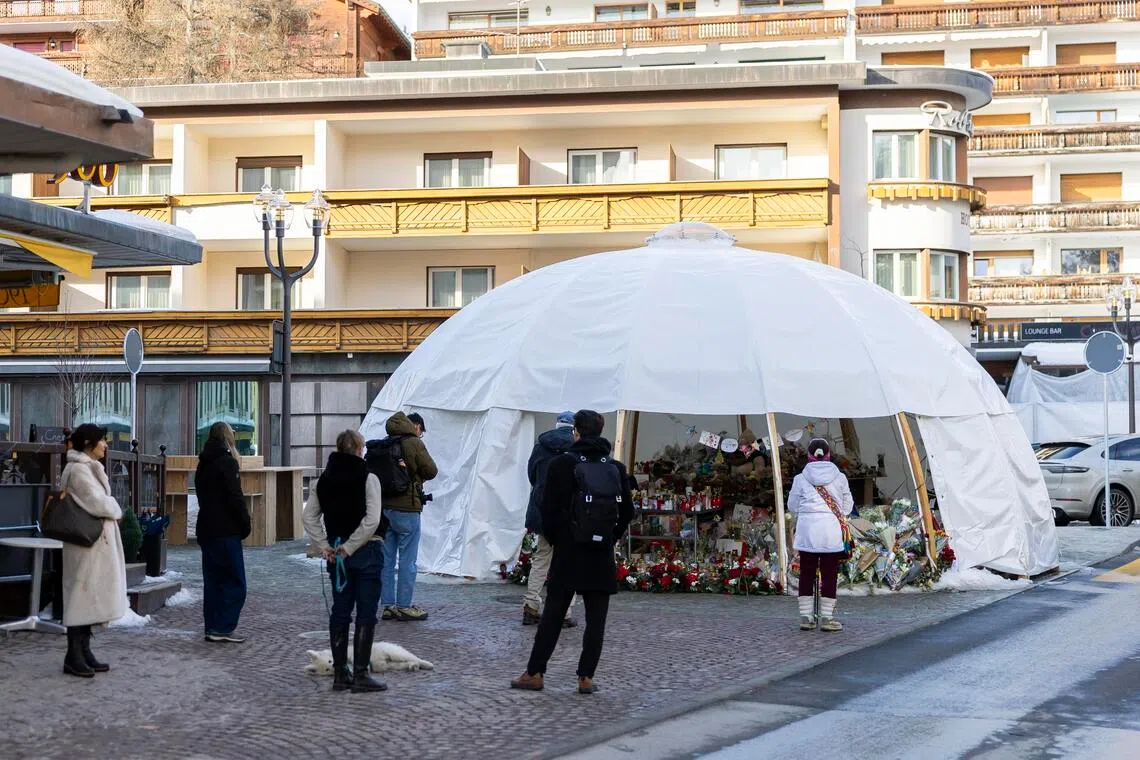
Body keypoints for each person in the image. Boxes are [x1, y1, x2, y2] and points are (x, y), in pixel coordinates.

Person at [511, 410, 633, 695]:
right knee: (596, 620)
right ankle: (586, 677)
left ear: (576, 432)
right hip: (600, 552)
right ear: (600, 432)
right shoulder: (615, 468)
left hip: (568, 552)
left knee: (553, 615)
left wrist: (560, 541)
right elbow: (627, 512)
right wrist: (608, 538)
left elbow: (549, 510)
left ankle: (535, 672)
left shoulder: (561, 464)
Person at [303, 430, 386, 693]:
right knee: (366, 612)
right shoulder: (368, 478)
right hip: (365, 552)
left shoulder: (323, 481)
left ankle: (341, 674)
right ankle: (360, 674)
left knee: (340, 611)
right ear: (360, 449)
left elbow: (309, 518)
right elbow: (372, 520)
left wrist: (325, 546)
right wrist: (350, 547)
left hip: (337, 553)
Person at [59, 424, 127, 678]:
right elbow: (98, 503)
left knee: (89, 597)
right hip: (85, 545)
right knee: (80, 597)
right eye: (102, 441)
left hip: (93, 545)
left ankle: (83, 651)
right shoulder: (78, 470)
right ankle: (73, 655)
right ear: (89, 443)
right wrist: (115, 507)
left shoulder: (87, 467)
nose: (106, 445)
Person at [787, 438, 853, 633]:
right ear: (828, 455)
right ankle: (827, 618)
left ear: (809, 456)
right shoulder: (840, 477)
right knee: (829, 574)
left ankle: (806, 617)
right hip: (830, 532)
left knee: (806, 573)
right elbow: (847, 507)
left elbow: (792, 506)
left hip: (807, 532)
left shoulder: (800, 478)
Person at [194, 421, 251, 643]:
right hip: (226, 530)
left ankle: (212, 626)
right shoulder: (227, 462)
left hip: (207, 527)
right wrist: (245, 524)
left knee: (213, 581)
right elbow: (235, 498)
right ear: (228, 437)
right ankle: (223, 627)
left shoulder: (203, 463)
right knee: (235, 582)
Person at [376, 411, 437, 622]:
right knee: (408, 561)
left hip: (384, 509)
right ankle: (404, 606)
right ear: (417, 426)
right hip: (407, 509)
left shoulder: (384, 442)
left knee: (386, 560)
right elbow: (431, 470)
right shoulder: (413, 443)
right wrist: (416, 476)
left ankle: (387, 606)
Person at [521, 411, 579, 627]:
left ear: (556, 425)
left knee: (541, 558)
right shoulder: (575, 446)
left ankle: (531, 606)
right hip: (568, 511)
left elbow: (531, 474)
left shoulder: (541, 443)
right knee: (567, 562)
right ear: (573, 428)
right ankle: (564, 612)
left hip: (543, 509)